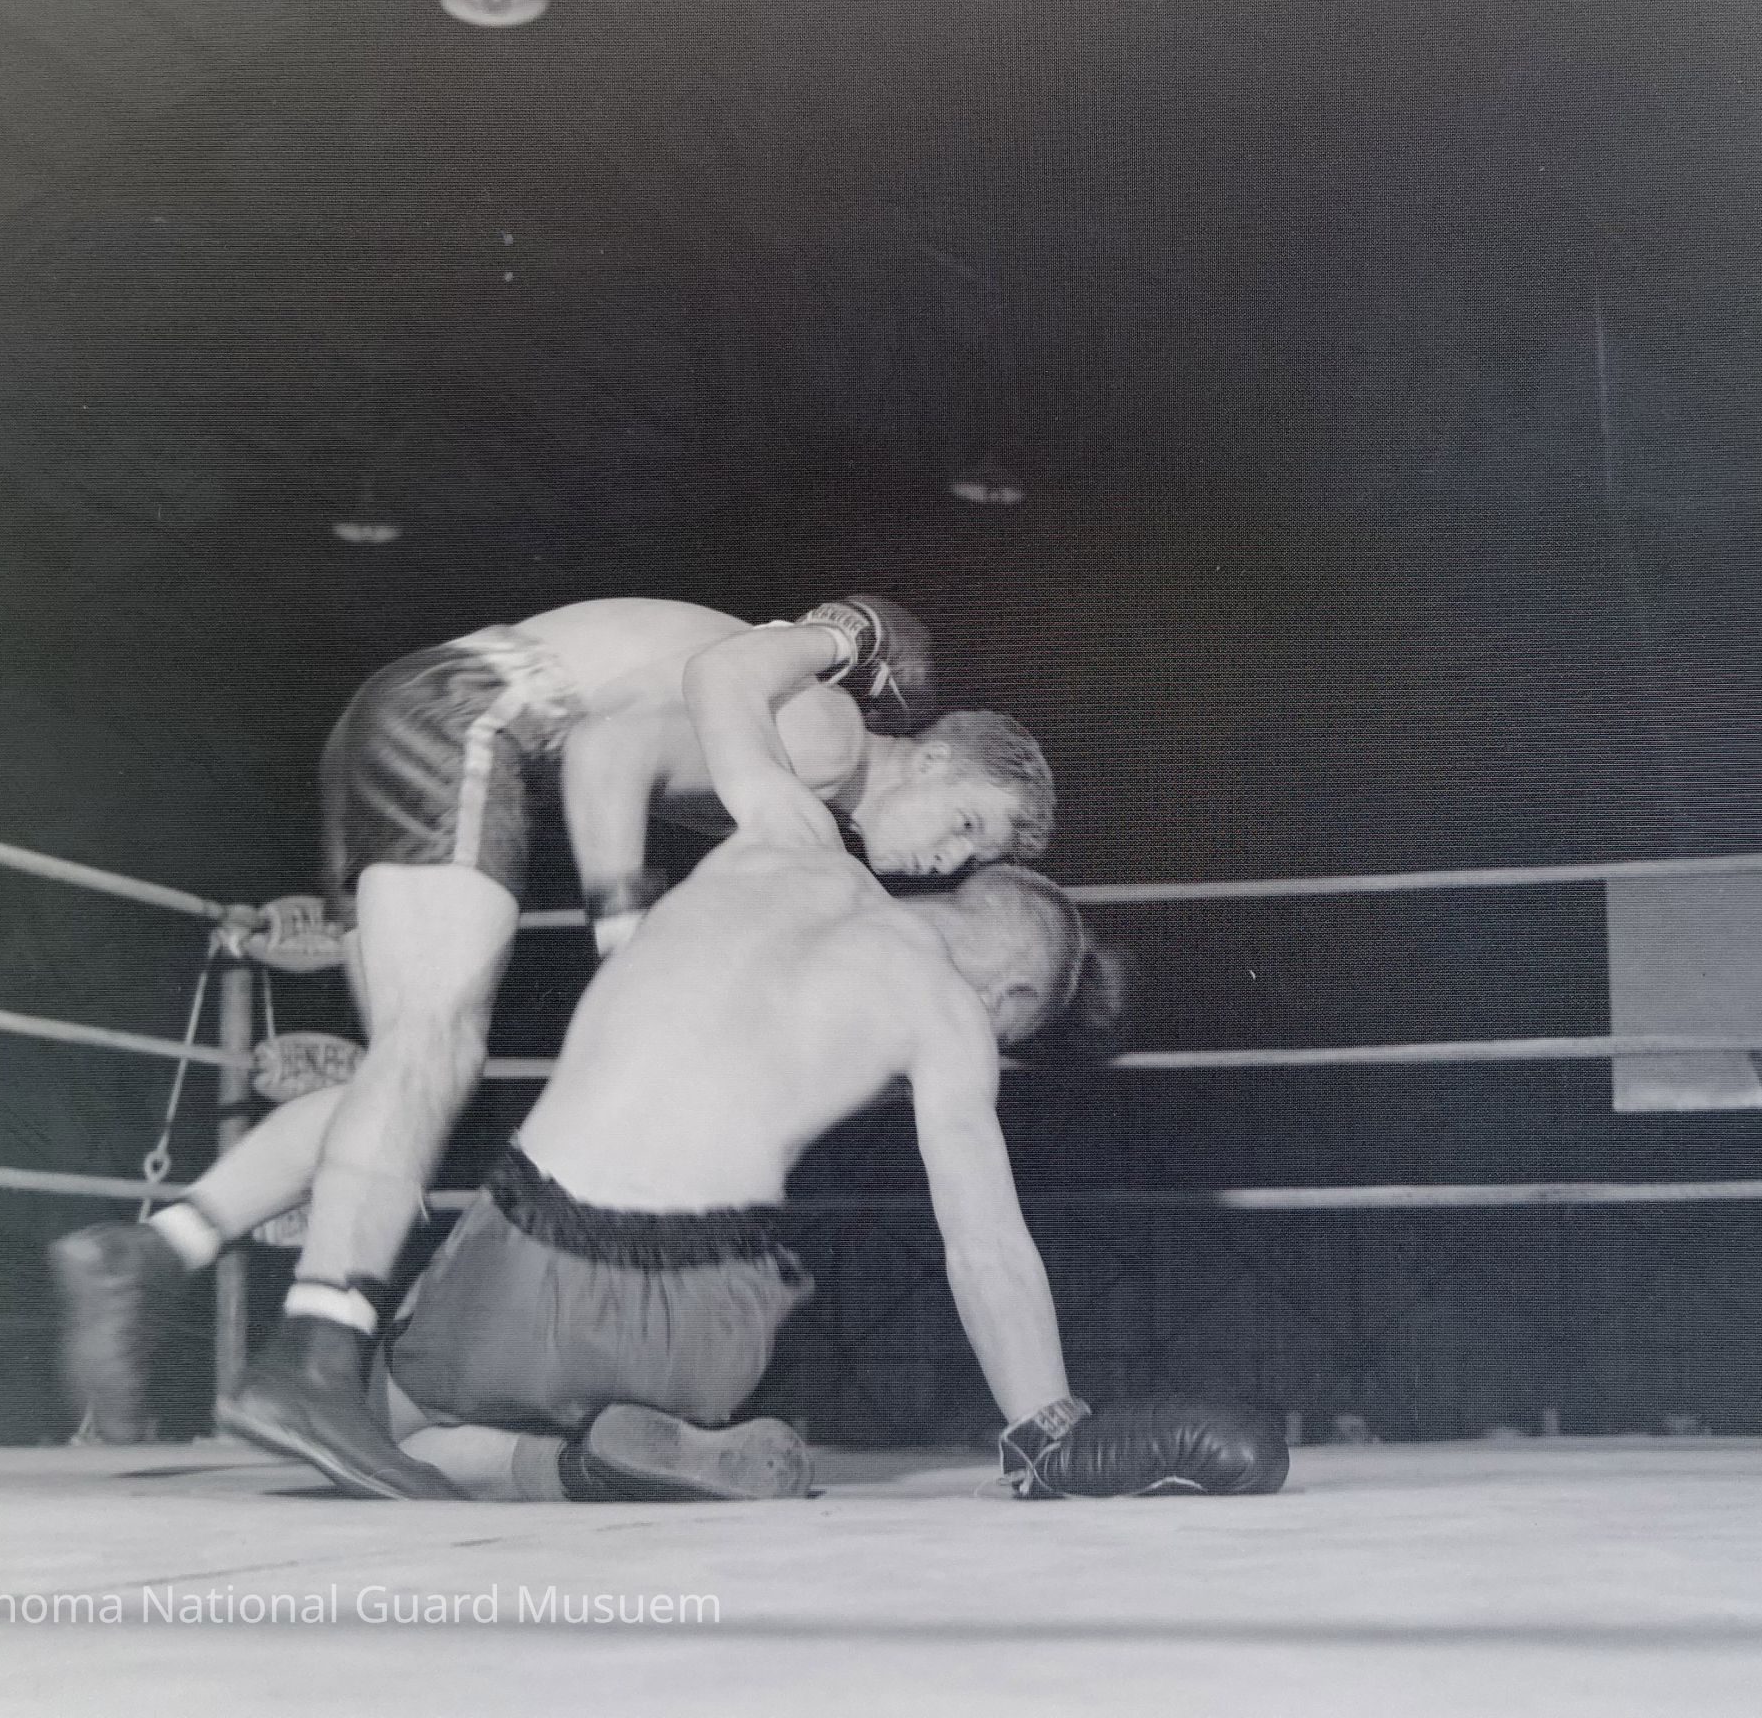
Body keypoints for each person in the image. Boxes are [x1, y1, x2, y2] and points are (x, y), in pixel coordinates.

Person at [228, 621, 1279, 1501]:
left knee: (385, 1430)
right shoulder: (950, 1025)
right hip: (711, 1319)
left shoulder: (787, 832)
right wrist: (1047, 1431)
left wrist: (846, 636)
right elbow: (985, 1245)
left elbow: (717, 675)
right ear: (1007, 1002)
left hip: (536, 1254)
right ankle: (615, 1445)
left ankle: (557, 1463)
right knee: (738, 1269)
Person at [52, 596, 1056, 1468]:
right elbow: (606, 751)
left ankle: (151, 1253)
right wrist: (624, 939)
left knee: (409, 1091)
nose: (949, 862)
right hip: (474, 718)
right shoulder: (833, 734)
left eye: (977, 858)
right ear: (931, 757)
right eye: (967, 822)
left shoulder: (803, 791)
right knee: (432, 1053)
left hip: (422, 714)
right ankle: (312, 1362)